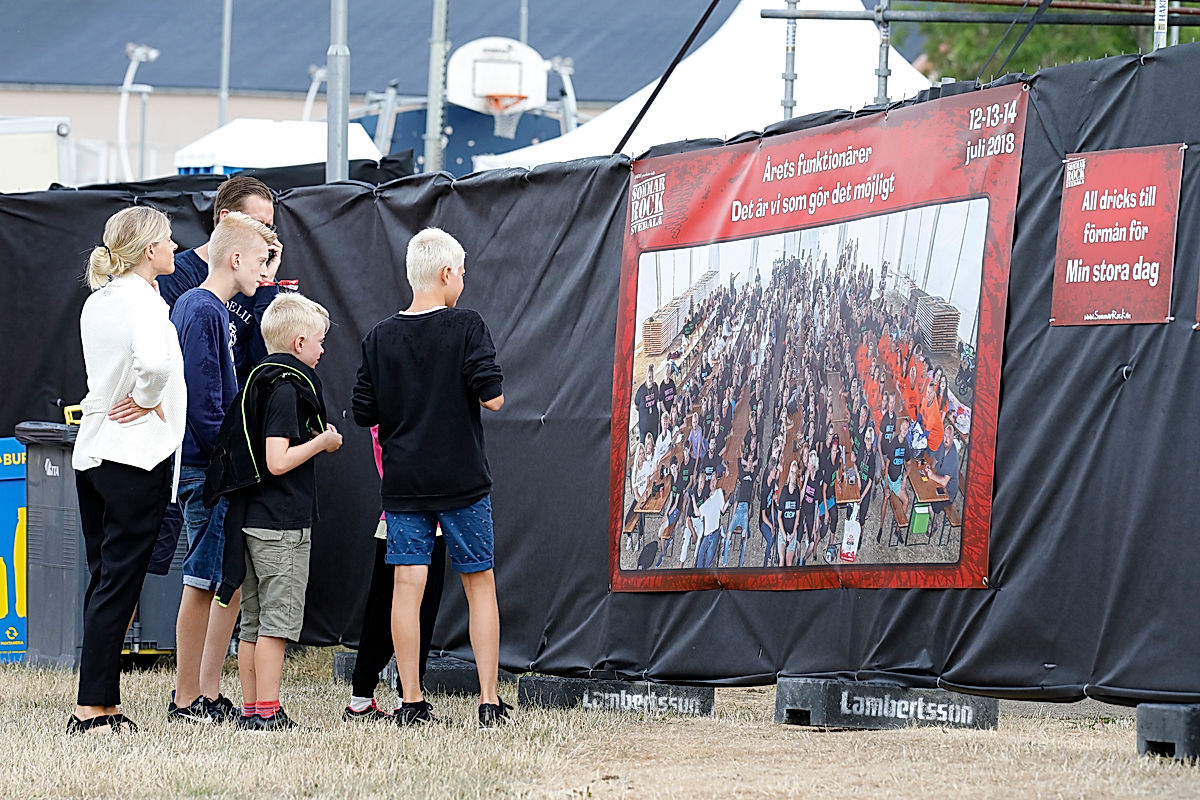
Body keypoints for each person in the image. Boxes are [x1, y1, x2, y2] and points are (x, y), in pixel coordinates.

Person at [352, 227, 510, 729]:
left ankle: (411, 702)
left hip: (403, 484)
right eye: (462, 271)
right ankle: (489, 702)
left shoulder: (379, 336)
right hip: (462, 481)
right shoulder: (467, 326)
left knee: (406, 585)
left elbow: (363, 411)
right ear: (446, 273)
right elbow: (493, 397)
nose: (463, 279)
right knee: (478, 584)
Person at [69, 206, 187, 734]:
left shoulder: (99, 301)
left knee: (106, 581)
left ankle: (102, 703)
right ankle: (91, 708)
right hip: (135, 456)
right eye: (166, 239)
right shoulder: (146, 303)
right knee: (119, 583)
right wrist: (146, 398)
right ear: (147, 252)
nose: (175, 246)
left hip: (93, 453)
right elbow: (156, 364)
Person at [207, 293, 340, 730]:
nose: (322, 350)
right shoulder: (288, 389)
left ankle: (250, 709)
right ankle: (268, 710)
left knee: (253, 621)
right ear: (300, 342)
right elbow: (277, 460)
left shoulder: (258, 380)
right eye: (320, 341)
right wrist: (322, 442)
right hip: (280, 525)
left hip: (249, 518)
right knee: (276, 624)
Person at [170, 211, 278, 724]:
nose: (266, 272)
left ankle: (204, 692)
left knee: (218, 580)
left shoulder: (208, 309)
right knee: (203, 580)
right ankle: (187, 698)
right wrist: (231, 463)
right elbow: (203, 403)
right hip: (205, 470)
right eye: (260, 261)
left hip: (211, 467)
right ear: (234, 259)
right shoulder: (203, 310)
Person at [344, 427, 447, 721]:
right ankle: (388, 699)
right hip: (410, 516)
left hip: (410, 516)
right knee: (403, 613)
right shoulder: (397, 406)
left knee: (391, 612)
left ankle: (383, 698)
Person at [158, 175, 284, 381]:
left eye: (269, 227)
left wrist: (267, 285)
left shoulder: (259, 280)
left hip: (237, 401)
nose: (266, 236)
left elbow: (265, 359)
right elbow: (168, 354)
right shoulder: (177, 273)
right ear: (226, 218)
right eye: (258, 224)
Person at [878, 417, 912, 543]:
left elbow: (909, 463)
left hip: (897, 481)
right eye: (903, 426)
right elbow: (886, 466)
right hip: (889, 479)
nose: (904, 429)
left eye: (906, 428)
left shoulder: (906, 444)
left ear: (908, 430)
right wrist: (886, 485)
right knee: (886, 500)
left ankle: (898, 528)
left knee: (907, 500)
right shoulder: (894, 443)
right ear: (900, 428)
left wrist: (904, 478)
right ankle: (881, 527)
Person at [633, 365, 661, 443]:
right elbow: (636, 406)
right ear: (646, 377)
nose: (650, 378)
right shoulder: (641, 390)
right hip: (644, 425)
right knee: (643, 445)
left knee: (654, 444)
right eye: (649, 376)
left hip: (654, 423)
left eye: (652, 376)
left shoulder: (655, 387)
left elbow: (657, 400)